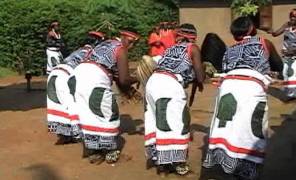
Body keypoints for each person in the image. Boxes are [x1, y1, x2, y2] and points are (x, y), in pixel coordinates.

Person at [202, 17, 283, 180]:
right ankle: (247, 170)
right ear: (251, 28)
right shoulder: (263, 43)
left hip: (228, 87)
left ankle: (229, 164)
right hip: (250, 88)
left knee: (230, 128)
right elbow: (278, 66)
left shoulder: (229, 50)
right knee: (251, 128)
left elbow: (225, 69)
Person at [143, 23, 205, 176]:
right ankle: (176, 163)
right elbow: (200, 76)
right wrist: (204, 73)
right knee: (177, 123)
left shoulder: (169, 49)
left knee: (158, 120)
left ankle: (161, 160)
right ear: (193, 37)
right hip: (169, 85)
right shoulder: (192, 48)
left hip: (153, 82)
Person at [72, 29, 140, 164]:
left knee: (88, 114)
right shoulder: (120, 49)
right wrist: (138, 78)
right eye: (130, 42)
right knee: (109, 113)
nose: (131, 46)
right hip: (94, 78)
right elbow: (124, 80)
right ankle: (110, 151)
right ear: (123, 37)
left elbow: (116, 76)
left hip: (78, 75)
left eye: (134, 44)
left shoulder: (106, 44)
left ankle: (94, 151)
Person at [47, 31, 105, 144]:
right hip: (67, 75)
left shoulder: (79, 50)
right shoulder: (93, 54)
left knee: (59, 105)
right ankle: (77, 133)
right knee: (73, 103)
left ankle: (64, 133)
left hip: (55, 73)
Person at [268, 8, 296, 100]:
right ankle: (291, 95)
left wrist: (294, 50)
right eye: (291, 16)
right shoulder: (287, 25)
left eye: (295, 17)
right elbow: (276, 33)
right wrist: (271, 31)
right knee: (287, 74)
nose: (292, 18)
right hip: (287, 55)